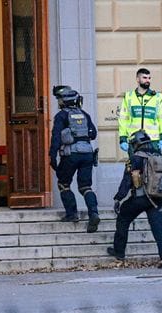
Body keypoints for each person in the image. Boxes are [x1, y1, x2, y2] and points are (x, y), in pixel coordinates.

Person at [107, 130, 162, 269]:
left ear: (136, 144)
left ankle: (119, 252)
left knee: (123, 218)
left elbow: (127, 180)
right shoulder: (157, 155)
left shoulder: (135, 158)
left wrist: (118, 198)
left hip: (140, 198)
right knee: (159, 228)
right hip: (157, 198)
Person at [49, 86, 100, 233]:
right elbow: (93, 134)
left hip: (71, 154)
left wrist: (52, 155)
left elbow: (56, 138)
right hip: (88, 154)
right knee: (85, 187)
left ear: (63, 101)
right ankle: (94, 213)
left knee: (64, 183)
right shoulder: (84, 114)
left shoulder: (61, 116)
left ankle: (72, 214)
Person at [118, 68, 162, 157]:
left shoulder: (157, 97)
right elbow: (123, 119)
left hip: (153, 141)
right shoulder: (128, 97)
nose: (147, 80)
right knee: (135, 169)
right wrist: (123, 138)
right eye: (144, 78)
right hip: (134, 140)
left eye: (149, 78)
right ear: (137, 79)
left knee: (153, 168)